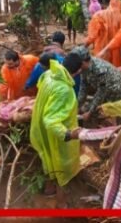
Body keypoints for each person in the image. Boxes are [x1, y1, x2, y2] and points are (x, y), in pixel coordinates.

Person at [29, 55, 82, 207]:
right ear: (78, 71)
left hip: (39, 129)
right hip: (56, 135)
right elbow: (51, 121)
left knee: (47, 159)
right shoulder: (64, 89)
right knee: (62, 168)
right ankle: (62, 203)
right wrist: (68, 134)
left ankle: (48, 190)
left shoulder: (48, 75)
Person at [69, 47, 121, 122]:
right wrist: (77, 106)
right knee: (93, 110)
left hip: (119, 89)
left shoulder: (100, 70)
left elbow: (101, 94)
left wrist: (90, 113)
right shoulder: (83, 68)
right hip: (106, 89)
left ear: (83, 62)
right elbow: (83, 88)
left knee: (119, 114)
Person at [85, 0, 121, 67]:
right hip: (118, 57)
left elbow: (92, 36)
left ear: (110, 4)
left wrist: (83, 46)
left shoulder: (98, 15)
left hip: (101, 52)